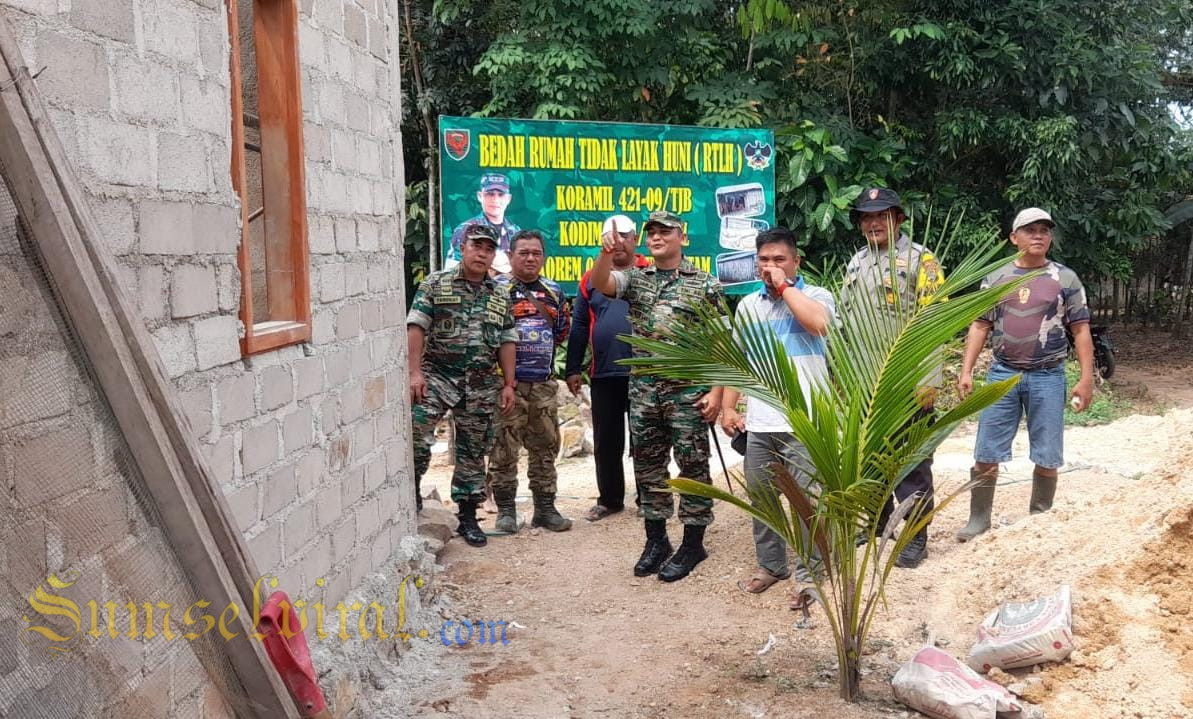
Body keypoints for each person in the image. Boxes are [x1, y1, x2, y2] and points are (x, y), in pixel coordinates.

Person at [590, 210, 727, 582]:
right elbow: (600, 284)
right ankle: (656, 541)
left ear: (682, 238)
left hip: (687, 393)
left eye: (665, 231)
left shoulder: (704, 285)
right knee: (648, 468)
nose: (656, 236)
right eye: (651, 232)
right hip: (645, 392)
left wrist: (716, 393)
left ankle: (694, 542)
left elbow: (722, 344)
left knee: (692, 466)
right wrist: (605, 252)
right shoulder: (637, 279)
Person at [955, 207, 1094, 541]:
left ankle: (1039, 517)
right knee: (986, 451)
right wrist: (967, 369)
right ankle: (978, 519)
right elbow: (980, 325)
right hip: (1003, 374)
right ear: (1013, 238)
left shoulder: (1065, 278)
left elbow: (1081, 330)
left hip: (1048, 375)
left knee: (1048, 453)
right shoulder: (997, 278)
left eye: (1044, 230)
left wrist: (1087, 377)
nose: (1038, 235)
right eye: (1030, 230)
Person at [720, 227, 834, 594]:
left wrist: (786, 288)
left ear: (796, 261)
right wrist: (728, 407)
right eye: (764, 260)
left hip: (807, 421)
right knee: (762, 495)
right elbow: (740, 362)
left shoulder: (816, 295)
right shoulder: (749, 306)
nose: (770, 266)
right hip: (762, 421)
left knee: (807, 498)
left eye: (779, 259)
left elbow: (818, 325)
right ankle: (772, 565)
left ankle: (812, 571)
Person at [840, 187, 946, 569]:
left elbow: (935, 321)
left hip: (907, 383)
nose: (872, 223)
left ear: (898, 218)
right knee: (870, 458)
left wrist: (929, 378)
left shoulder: (923, 261)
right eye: (866, 217)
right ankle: (877, 522)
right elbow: (846, 324)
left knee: (911, 463)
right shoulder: (856, 263)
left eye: (881, 215)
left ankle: (915, 536)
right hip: (866, 383)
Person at [407, 224, 517, 547]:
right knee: (416, 432)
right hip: (437, 376)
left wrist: (508, 383)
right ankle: (410, 492)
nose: (482, 253)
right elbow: (416, 326)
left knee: (473, 451)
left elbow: (507, 340)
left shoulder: (499, 294)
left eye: (488, 248)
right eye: (476, 246)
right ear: (463, 248)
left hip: (481, 381)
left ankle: (468, 516)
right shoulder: (436, 284)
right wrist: (414, 372)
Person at [564, 215, 651, 521]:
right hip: (604, 373)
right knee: (606, 441)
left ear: (635, 239)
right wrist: (573, 367)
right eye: (610, 237)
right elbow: (579, 325)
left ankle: (649, 499)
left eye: (624, 235)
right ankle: (610, 500)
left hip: (645, 374)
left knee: (646, 439)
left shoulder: (650, 272)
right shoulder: (591, 279)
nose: (617, 242)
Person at [488, 230, 574, 534]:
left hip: (542, 385)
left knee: (545, 447)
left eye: (536, 253)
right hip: (505, 387)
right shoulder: (494, 289)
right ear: (510, 256)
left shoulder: (553, 291)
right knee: (504, 448)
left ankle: (545, 509)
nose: (530, 258)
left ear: (543, 257)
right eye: (523, 252)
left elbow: (562, 331)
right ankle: (507, 511)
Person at [447, 174, 519, 274]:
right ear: (480, 196)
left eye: (501, 194)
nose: (495, 200)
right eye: (490, 194)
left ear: (509, 199)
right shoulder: (465, 230)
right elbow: (451, 272)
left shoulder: (516, 232)